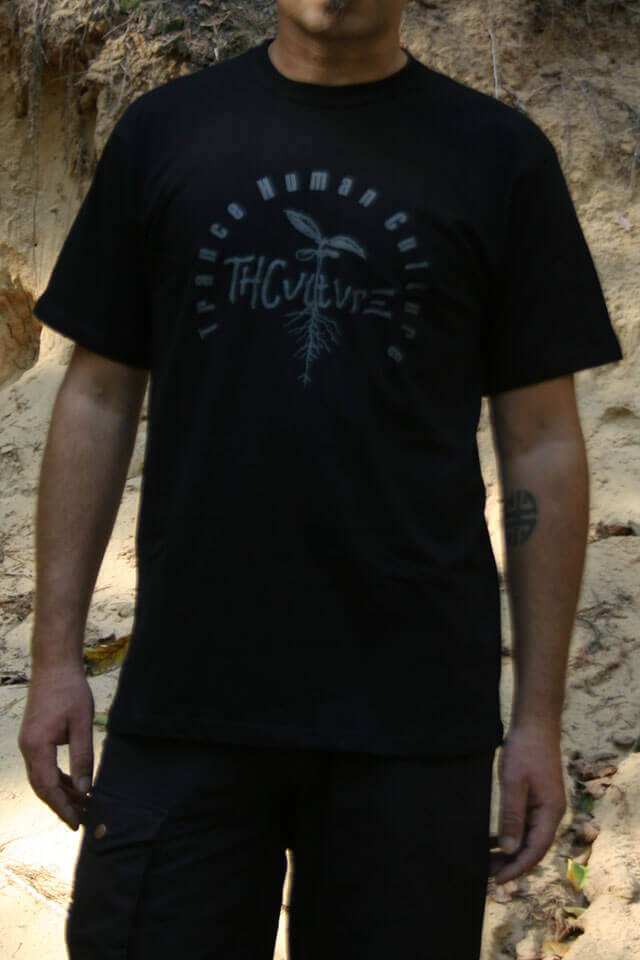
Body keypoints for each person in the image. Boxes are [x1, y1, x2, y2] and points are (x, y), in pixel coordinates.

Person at [19, 0, 623, 957]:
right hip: (188, 698)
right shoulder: (167, 133)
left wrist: (538, 720)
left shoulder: (498, 156)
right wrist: (57, 658)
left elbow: (544, 441)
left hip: (415, 719)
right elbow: (95, 397)